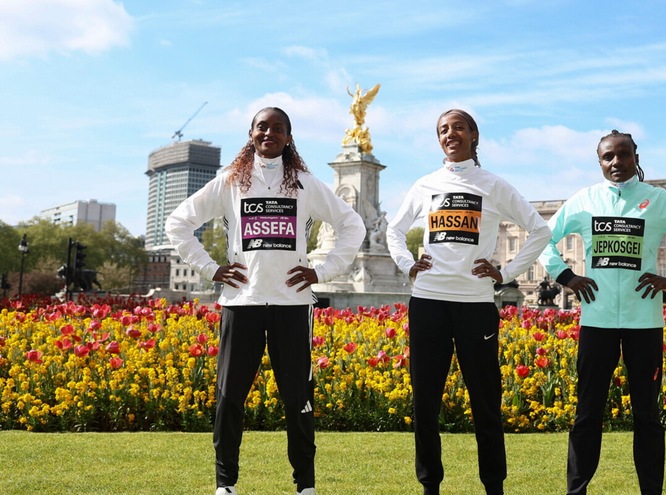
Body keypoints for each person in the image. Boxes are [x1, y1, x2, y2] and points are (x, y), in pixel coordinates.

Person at [165, 107, 366, 495]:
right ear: (251, 133)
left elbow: (351, 224)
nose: (269, 133)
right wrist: (211, 268)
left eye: (278, 128)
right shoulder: (230, 181)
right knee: (229, 399)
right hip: (242, 303)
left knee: (298, 401)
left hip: (293, 305)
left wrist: (323, 271)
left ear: (289, 137)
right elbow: (178, 223)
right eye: (262, 127)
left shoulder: (305, 183)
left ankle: (305, 485)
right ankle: (225, 484)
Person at [539, 130, 666, 495]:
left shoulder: (659, 200)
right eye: (608, 157)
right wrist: (567, 276)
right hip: (597, 321)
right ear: (599, 162)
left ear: (636, 157)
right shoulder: (585, 199)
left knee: (647, 417)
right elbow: (542, 239)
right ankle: (576, 491)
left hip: (644, 323)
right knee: (587, 414)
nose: (616, 162)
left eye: (624, 154)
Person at [385, 109, 552, 495]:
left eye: (458, 127)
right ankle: (430, 486)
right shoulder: (426, 184)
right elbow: (394, 230)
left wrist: (505, 273)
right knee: (425, 403)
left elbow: (540, 230)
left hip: (475, 306)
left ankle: (494, 486)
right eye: (443, 130)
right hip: (428, 301)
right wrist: (408, 264)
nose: (450, 134)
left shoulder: (493, 185)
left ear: (474, 135)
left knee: (486, 403)